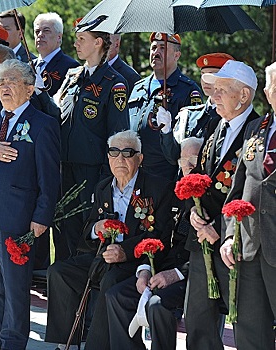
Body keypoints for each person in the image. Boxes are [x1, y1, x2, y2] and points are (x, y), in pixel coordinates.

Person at [45, 130, 174, 350]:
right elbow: (88, 231)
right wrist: (97, 228)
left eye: (127, 152)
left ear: (140, 158)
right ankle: (66, 343)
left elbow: (159, 234)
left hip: (137, 261)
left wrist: (125, 250)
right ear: (108, 157)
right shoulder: (104, 187)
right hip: (104, 256)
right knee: (59, 272)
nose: (120, 159)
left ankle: (96, 346)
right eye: (114, 152)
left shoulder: (157, 188)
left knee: (110, 280)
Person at [0, 58, 60, 350]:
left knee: (14, 285)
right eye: (1, 81)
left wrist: (42, 216)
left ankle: (13, 341)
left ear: (29, 89)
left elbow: (50, 177)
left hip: (18, 216)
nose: (4, 86)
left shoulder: (43, 125)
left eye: (12, 81)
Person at [186, 60, 259, 350]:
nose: (213, 96)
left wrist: (219, 228)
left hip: (236, 242)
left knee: (245, 324)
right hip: (202, 241)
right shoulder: (217, 127)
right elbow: (204, 178)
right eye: (213, 89)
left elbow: (252, 192)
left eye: (222, 90)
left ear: (243, 96)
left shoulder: (258, 132)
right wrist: (195, 211)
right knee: (197, 322)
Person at [105, 136, 203, 350]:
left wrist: (175, 273)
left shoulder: (212, 198)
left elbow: (206, 254)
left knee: (156, 305)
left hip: (195, 275)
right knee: (117, 295)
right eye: (183, 162)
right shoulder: (176, 196)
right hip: (162, 271)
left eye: (194, 160)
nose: (189, 167)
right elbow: (160, 239)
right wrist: (144, 270)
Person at [54, 22, 129, 261]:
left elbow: (117, 136)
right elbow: (59, 116)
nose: (75, 43)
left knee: (88, 232)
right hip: (65, 166)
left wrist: (108, 180)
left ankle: (86, 288)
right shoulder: (72, 76)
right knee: (65, 228)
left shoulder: (114, 83)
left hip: (93, 172)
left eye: (81, 38)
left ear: (98, 42)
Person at [219, 61, 276, 350]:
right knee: (250, 331)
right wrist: (230, 235)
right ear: (267, 92)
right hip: (250, 247)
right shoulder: (257, 128)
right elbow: (237, 189)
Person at [128, 32, 203, 181]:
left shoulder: (187, 90)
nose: (156, 52)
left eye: (163, 48)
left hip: (165, 176)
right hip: (133, 173)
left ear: (177, 55)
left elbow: (192, 141)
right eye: (153, 48)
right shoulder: (138, 87)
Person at [158, 52, 234, 167]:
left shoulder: (232, 117)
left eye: (212, 75)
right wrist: (166, 130)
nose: (205, 80)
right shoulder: (189, 115)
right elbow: (174, 157)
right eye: (202, 74)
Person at [33, 12, 79, 97]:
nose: (40, 35)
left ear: (59, 37)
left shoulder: (71, 67)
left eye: (46, 31)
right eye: (37, 31)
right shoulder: (28, 65)